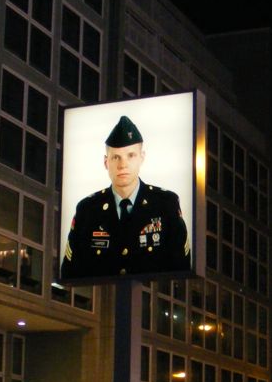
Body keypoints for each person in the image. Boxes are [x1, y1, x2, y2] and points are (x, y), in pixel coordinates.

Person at [60, 116, 190, 279]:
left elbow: (181, 267)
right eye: (116, 157)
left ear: (142, 158)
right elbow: (70, 272)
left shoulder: (165, 204)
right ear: (106, 162)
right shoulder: (87, 210)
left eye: (130, 155)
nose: (123, 165)